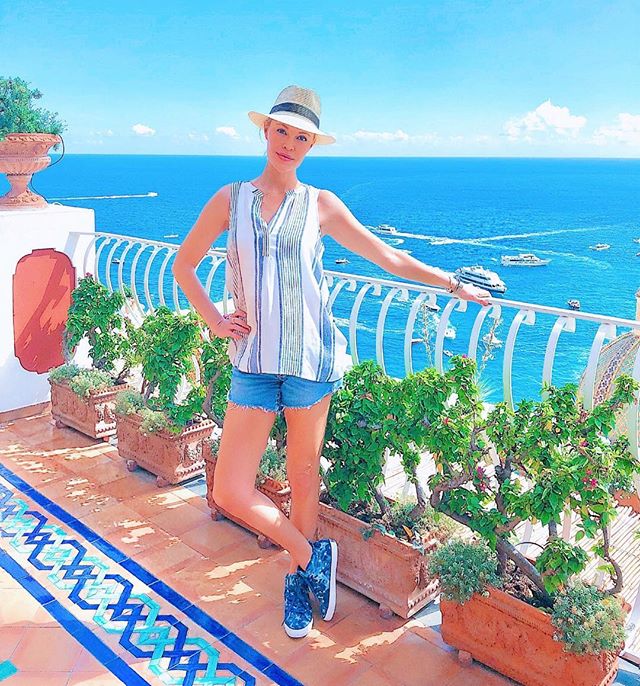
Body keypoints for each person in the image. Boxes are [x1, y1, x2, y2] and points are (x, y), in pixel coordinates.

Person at [172, 85, 490, 639]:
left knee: (302, 476)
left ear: (311, 145)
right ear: (264, 132)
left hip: (310, 361)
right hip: (252, 360)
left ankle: (298, 582)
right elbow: (184, 266)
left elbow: (384, 255)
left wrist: (451, 282)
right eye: (282, 132)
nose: (289, 144)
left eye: (302, 137)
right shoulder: (230, 200)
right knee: (229, 489)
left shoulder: (320, 204)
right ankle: (311, 554)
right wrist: (215, 321)